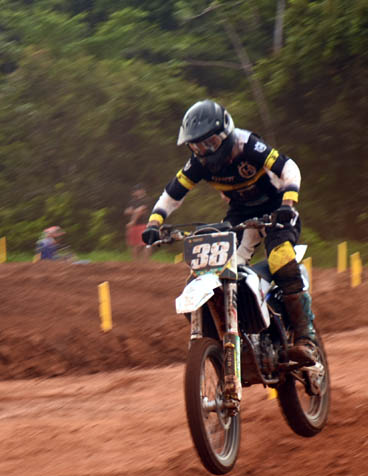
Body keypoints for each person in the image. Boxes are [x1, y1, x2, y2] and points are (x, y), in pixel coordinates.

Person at [142, 100, 317, 365]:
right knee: (219, 270)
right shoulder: (198, 164)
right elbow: (173, 194)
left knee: (280, 258)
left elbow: (288, 167)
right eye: (196, 146)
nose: (203, 151)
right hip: (240, 214)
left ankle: (306, 337)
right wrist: (154, 223)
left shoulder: (248, 146)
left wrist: (288, 203)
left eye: (209, 143)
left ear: (225, 134)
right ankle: (237, 338)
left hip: (277, 209)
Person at [124, 185, 150, 261]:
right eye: (135, 190)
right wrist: (135, 211)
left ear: (142, 190)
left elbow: (141, 210)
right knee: (134, 244)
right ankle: (135, 263)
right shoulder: (133, 201)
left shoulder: (147, 199)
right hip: (135, 225)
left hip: (144, 224)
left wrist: (133, 219)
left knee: (145, 244)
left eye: (137, 190)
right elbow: (126, 211)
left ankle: (145, 262)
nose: (135, 192)